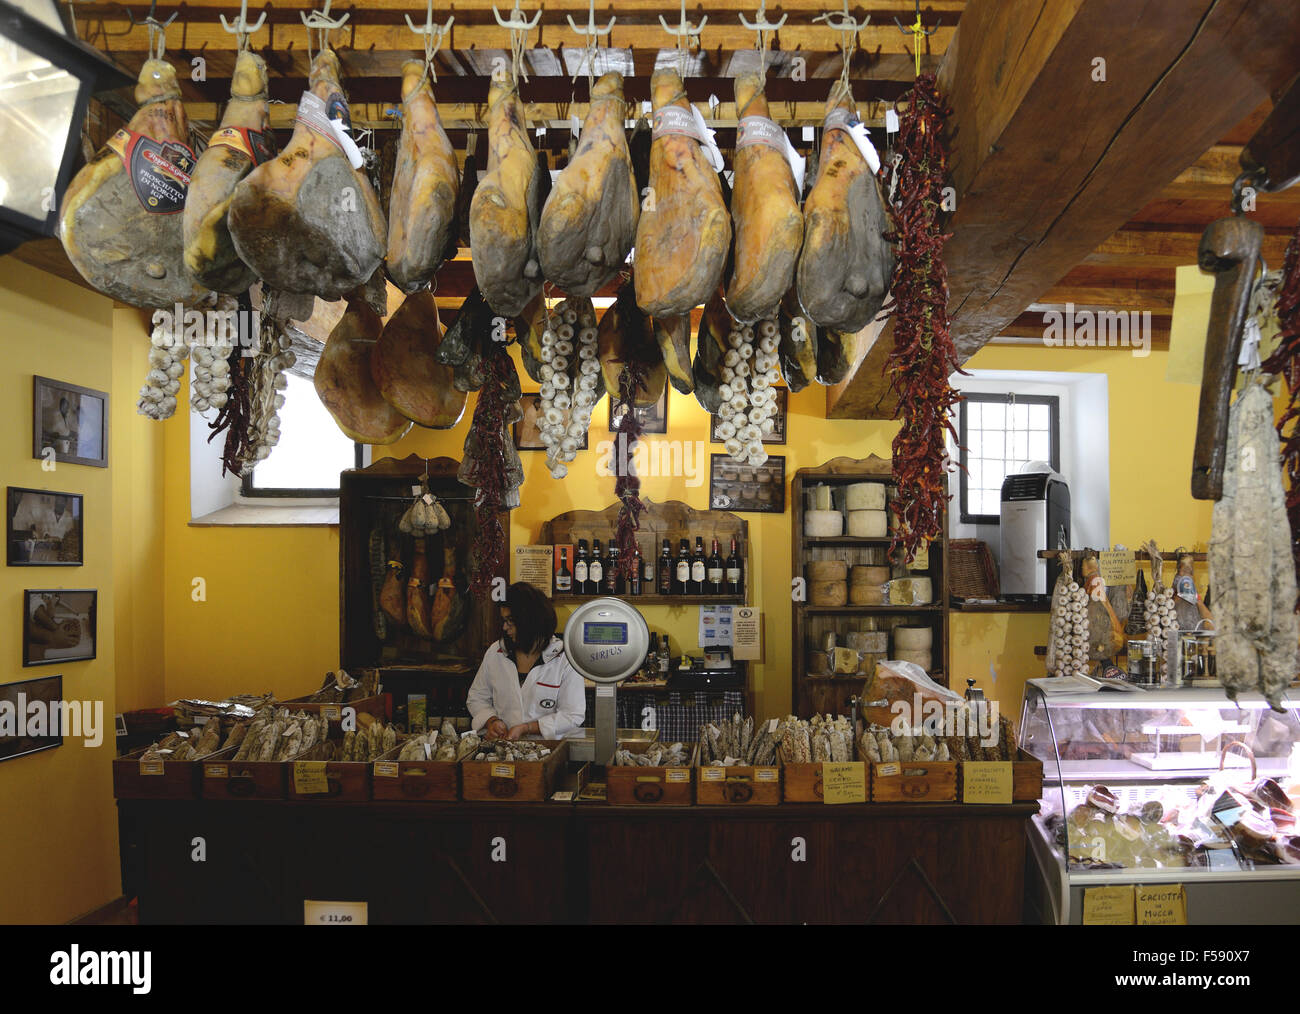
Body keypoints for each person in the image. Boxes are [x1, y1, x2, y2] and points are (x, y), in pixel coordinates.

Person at [466, 583, 585, 740]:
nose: (505, 628)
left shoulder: (564, 658)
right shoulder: (496, 652)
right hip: (503, 749)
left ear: (530, 621)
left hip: (548, 751)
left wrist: (528, 728)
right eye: (503, 621)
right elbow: (477, 697)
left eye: (510, 621)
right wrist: (492, 721)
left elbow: (572, 714)